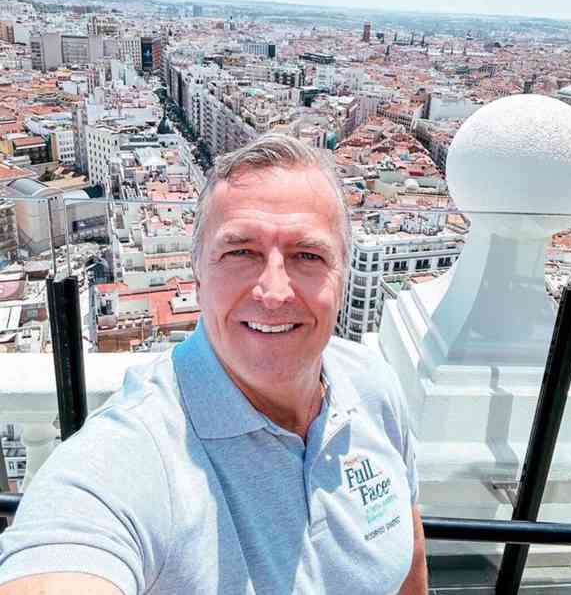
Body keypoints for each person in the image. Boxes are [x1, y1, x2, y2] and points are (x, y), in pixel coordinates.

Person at [0, 134, 427, 594]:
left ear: (341, 276)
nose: (274, 292)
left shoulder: (373, 386)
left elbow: (409, 551)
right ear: (197, 275)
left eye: (308, 256)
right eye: (240, 252)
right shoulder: (134, 455)